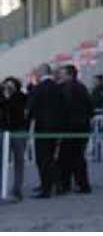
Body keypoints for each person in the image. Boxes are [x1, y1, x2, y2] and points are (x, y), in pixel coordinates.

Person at [26, 63, 65, 198]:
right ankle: (58, 184)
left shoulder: (39, 88)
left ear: (42, 72)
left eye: (37, 72)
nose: (35, 74)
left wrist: (26, 124)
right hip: (56, 128)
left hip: (42, 128)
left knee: (43, 159)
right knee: (51, 158)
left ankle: (46, 188)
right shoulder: (57, 87)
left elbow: (30, 107)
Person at [57, 65, 93, 194]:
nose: (59, 76)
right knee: (76, 157)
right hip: (82, 127)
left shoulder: (68, 88)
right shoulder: (81, 87)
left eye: (62, 73)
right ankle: (80, 184)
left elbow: (64, 109)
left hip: (71, 129)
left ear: (69, 75)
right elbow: (90, 108)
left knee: (69, 157)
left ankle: (72, 184)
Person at [0, 77, 27, 201]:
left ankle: (17, 188)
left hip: (18, 131)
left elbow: (17, 108)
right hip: (3, 131)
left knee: (19, 161)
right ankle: (2, 188)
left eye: (11, 86)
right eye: (6, 85)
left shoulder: (21, 96)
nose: (8, 88)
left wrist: (10, 96)